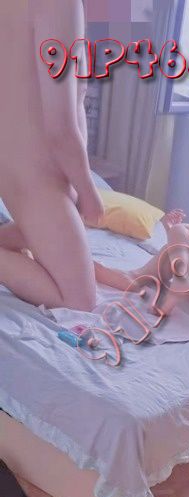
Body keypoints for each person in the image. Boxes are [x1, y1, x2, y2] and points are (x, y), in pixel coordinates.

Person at [0, 0, 102, 310]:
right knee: (79, 299)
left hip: (21, 168)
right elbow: (60, 126)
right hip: (39, 177)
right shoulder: (59, 4)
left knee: (52, 243)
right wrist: (88, 191)